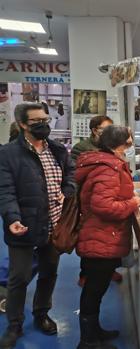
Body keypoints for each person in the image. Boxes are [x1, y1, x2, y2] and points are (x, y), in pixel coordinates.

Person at [0, 102, 75, 347]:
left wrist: (67, 190)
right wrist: (12, 219)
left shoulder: (57, 149)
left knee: (49, 273)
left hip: (53, 224)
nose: (44, 124)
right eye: (36, 122)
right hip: (24, 225)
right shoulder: (8, 154)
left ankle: (41, 314)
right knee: (19, 277)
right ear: (23, 124)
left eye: (46, 119)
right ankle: (14, 324)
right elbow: (5, 191)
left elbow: (71, 175)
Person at [75, 125, 140, 349]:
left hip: (102, 236)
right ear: (120, 144)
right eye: (128, 142)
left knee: (97, 288)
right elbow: (103, 206)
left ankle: (94, 332)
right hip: (100, 237)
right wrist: (132, 203)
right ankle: (88, 341)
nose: (130, 146)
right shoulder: (108, 168)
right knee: (94, 290)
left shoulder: (107, 162)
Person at [71, 115, 122, 287]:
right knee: (90, 238)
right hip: (88, 200)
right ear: (95, 130)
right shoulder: (81, 148)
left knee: (108, 236)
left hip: (108, 196)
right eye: (106, 129)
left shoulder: (112, 147)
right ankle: (85, 274)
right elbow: (75, 175)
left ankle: (110, 269)